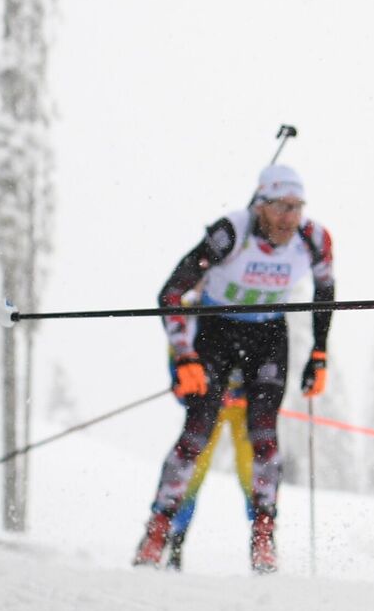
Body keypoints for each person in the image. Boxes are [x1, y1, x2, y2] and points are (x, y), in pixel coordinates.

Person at [132, 164, 335, 574]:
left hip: (269, 338)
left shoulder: (313, 239)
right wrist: (185, 356)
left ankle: (264, 535)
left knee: (264, 433)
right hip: (216, 333)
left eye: (296, 207)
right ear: (260, 205)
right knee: (198, 430)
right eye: (280, 206)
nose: (288, 218)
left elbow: (325, 293)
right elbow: (171, 292)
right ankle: (159, 527)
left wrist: (319, 353)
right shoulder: (230, 233)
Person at [160, 351, 255, 572]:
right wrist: (180, 379)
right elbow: (180, 342)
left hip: (244, 406)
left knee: (251, 470)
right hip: (211, 398)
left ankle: (263, 537)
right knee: (193, 470)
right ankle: (175, 538)